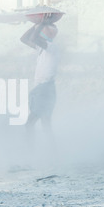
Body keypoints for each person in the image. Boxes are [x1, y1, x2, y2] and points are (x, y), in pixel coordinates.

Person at [20, 15, 60, 149]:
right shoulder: (42, 48)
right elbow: (24, 39)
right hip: (44, 89)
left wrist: (41, 24)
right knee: (44, 123)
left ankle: (31, 150)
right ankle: (52, 151)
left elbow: (33, 38)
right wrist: (36, 24)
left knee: (32, 123)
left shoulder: (51, 47)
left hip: (45, 89)